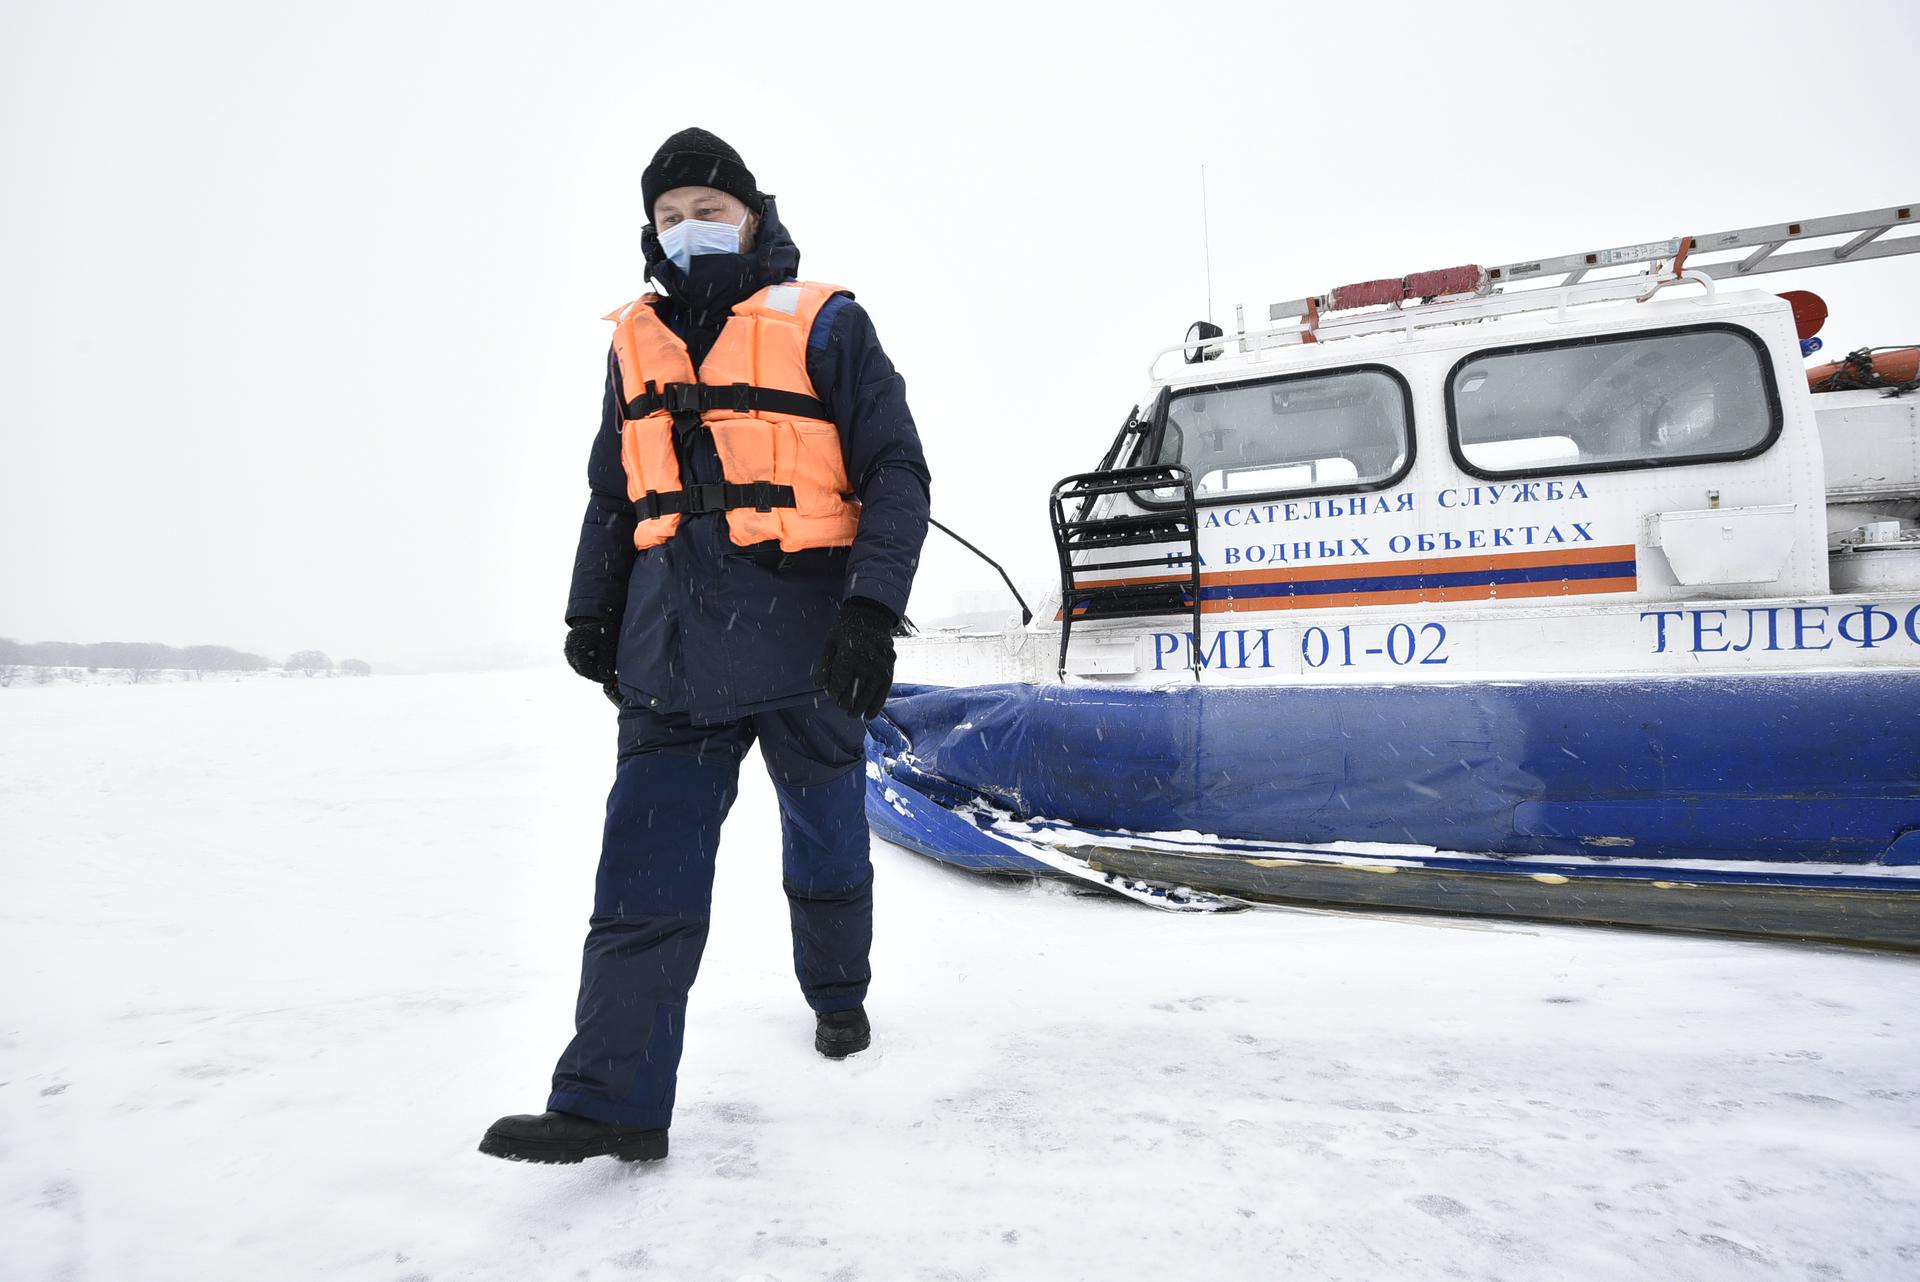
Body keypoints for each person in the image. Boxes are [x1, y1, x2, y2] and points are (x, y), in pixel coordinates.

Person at [480, 128, 930, 1165]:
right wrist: (590, 609)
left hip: (812, 642)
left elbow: (898, 470)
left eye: (709, 210)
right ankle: (610, 1100)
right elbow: (614, 486)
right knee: (642, 873)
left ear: (754, 218)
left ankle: (838, 994)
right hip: (671, 651)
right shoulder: (631, 339)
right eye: (670, 214)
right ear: (650, 229)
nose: (689, 229)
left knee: (825, 838)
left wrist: (870, 610)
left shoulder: (829, 323)